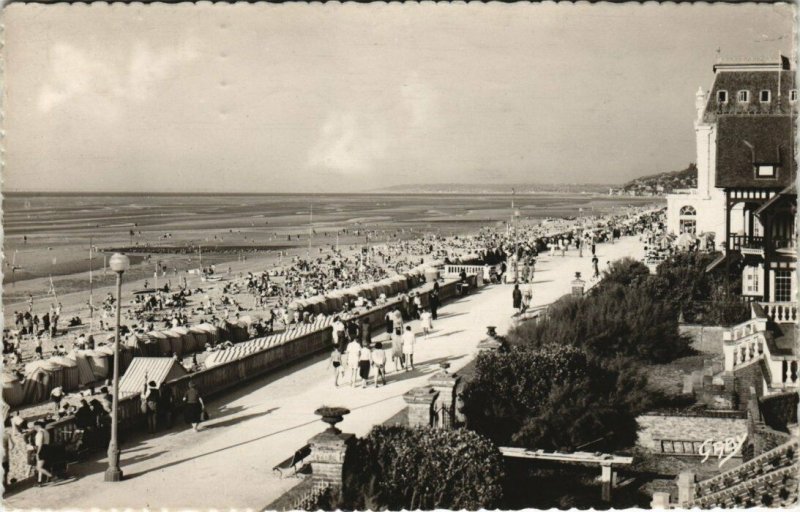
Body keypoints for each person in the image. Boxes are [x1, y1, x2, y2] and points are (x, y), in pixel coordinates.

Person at [33, 421, 55, 485]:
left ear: (38, 426)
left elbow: (40, 444)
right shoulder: (46, 431)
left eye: (34, 426)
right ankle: (39, 481)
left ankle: (51, 476)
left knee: (38, 467)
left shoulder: (40, 432)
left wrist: (37, 453)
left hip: (42, 449)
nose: (34, 428)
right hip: (47, 448)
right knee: (41, 466)